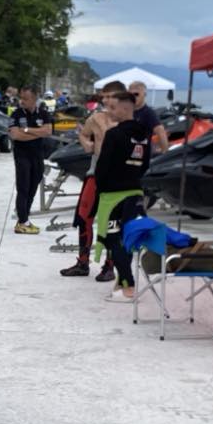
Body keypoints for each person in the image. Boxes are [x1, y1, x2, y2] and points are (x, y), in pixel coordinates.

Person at [60, 79, 124, 279]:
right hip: (94, 174)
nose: (105, 100)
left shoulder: (129, 122)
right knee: (83, 217)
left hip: (116, 179)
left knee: (112, 223)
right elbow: (84, 135)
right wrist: (86, 143)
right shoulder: (95, 118)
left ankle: (109, 266)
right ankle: (83, 263)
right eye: (104, 97)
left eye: (109, 96)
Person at [93, 89, 153, 302]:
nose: (110, 111)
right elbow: (145, 164)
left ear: (125, 108)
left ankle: (128, 286)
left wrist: (101, 189)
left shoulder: (114, 134)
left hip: (113, 197)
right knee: (127, 239)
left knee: (113, 240)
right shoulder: (144, 135)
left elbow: (102, 167)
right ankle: (122, 282)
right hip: (135, 192)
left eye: (113, 107)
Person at [8, 85, 53, 235]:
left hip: (38, 155)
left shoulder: (43, 113)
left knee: (33, 187)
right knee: (23, 187)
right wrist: (38, 133)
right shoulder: (16, 114)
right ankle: (23, 221)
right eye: (21, 98)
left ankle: (24, 219)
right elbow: (15, 135)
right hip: (22, 155)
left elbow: (48, 131)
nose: (22, 101)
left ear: (34, 99)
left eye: (26, 99)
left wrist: (27, 130)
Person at [127, 81, 170, 153]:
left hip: (140, 153)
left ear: (144, 94)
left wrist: (164, 151)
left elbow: (160, 131)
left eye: (136, 94)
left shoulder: (148, 113)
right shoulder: (126, 111)